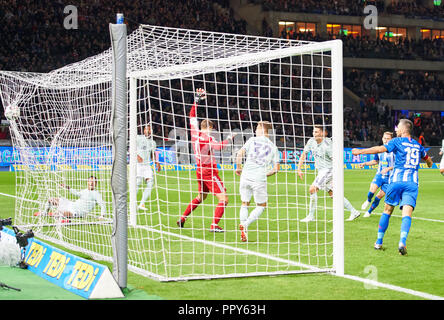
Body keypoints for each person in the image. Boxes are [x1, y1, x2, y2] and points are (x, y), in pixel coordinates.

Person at [352, 119, 433, 255]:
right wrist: (429, 164)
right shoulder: (418, 145)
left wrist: (361, 152)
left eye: (397, 128)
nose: (396, 130)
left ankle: (378, 242)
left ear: (403, 129)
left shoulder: (396, 141)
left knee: (387, 210)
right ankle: (402, 241)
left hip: (395, 181)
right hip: (412, 184)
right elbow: (428, 161)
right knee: (407, 214)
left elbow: (379, 149)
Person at [177, 88, 236, 232]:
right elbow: (219, 147)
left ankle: (183, 218)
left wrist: (196, 101)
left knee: (200, 197)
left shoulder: (194, 134)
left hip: (199, 171)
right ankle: (214, 225)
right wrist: (228, 139)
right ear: (209, 127)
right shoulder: (208, 138)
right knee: (224, 199)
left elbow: (191, 116)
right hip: (209, 172)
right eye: (212, 128)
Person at [297, 125, 360, 222]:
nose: (314, 134)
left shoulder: (328, 145)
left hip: (329, 170)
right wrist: (299, 169)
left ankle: (311, 216)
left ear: (322, 133)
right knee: (333, 194)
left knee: (312, 189)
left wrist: (337, 174)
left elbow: (336, 160)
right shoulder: (311, 141)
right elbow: (304, 154)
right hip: (322, 171)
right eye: (314, 132)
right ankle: (354, 211)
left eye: (317, 132)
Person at [235, 121, 280, 242]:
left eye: (257, 127)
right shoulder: (273, 147)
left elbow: (239, 154)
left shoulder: (252, 140)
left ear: (262, 129)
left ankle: (243, 229)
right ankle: (246, 224)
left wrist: (238, 167)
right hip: (259, 179)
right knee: (261, 206)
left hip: (245, 176)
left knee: (244, 203)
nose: (255, 130)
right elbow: (276, 169)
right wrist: (265, 174)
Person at [34, 176, 106, 221]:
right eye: (90, 181)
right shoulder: (85, 191)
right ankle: (45, 213)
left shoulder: (96, 194)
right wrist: (67, 187)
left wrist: (102, 215)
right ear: (87, 182)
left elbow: (102, 204)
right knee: (50, 200)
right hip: (71, 204)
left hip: (77, 212)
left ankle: (63, 217)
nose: (91, 183)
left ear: (96, 183)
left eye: (93, 182)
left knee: (58, 214)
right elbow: (77, 193)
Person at [359, 132, 395, 217]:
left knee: (379, 196)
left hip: (390, 178)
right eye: (384, 138)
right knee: (372, 190)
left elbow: (398, 164)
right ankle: (368, 200)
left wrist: (388, 168)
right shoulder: (379, 150)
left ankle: (369, 211)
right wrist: (365, 163)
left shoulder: (394, 151)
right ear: (382, 138)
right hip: (379, 175)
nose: (386, 140)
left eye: (388, 138)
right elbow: (375, 161)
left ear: (391, 140)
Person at [137, 123, 161, 211]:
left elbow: (152, 154)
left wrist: (157, 162)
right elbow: (130, 148)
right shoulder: (138, 138)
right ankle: (133, 203)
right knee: (138, 183)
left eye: (150, 129)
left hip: (147, 165)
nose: (148, 131)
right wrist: (137, 156)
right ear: (144, 130)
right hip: (138, 165)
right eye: (147, 129)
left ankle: (142, 204)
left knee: (150, 183)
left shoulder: (153, 142)